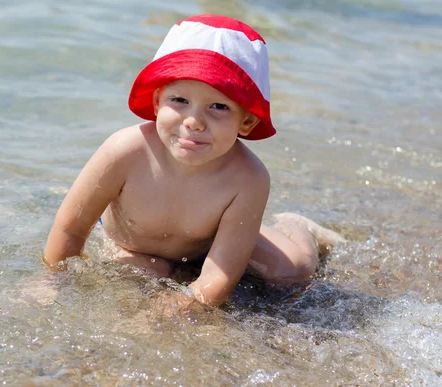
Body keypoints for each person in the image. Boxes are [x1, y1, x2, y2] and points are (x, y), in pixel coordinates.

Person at [44, 14, 344, 307]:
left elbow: (219, 275)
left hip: (214, 249)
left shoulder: (248, 178)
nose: (194, 122)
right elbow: (71, 228)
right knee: (144, 271)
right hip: (132, 244)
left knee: (291, 273)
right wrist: (51, 281)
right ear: (157, 100)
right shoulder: (125, 150)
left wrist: (185, 302)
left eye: (218, 106)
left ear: (247, 122)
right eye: (180, 101)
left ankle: (297, 225)